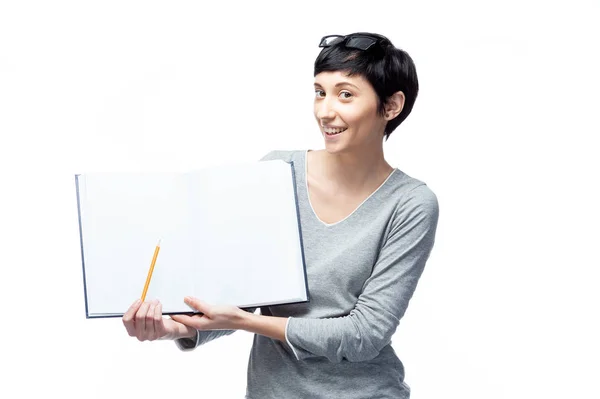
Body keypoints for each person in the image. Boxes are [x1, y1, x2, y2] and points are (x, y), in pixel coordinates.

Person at [122, 32, 439, 399]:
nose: (325, 110)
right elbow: (241, 296)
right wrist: (178, 329)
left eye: (345, 94)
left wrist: (247, 322)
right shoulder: (278, 171)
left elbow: (365, 334)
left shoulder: (411, 204)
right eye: (320, 92)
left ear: (392, 106)